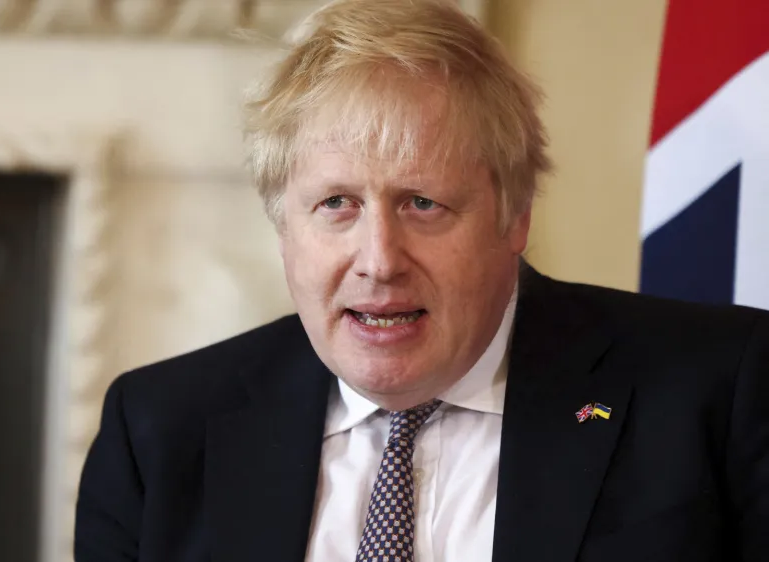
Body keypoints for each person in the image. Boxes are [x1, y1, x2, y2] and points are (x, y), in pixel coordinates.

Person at [74, 0, 769, 560]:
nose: (379, 260)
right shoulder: (160, 431)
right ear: (283, 223)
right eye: (336, 205)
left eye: (423, 204)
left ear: (515, 215)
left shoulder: (715, 391)